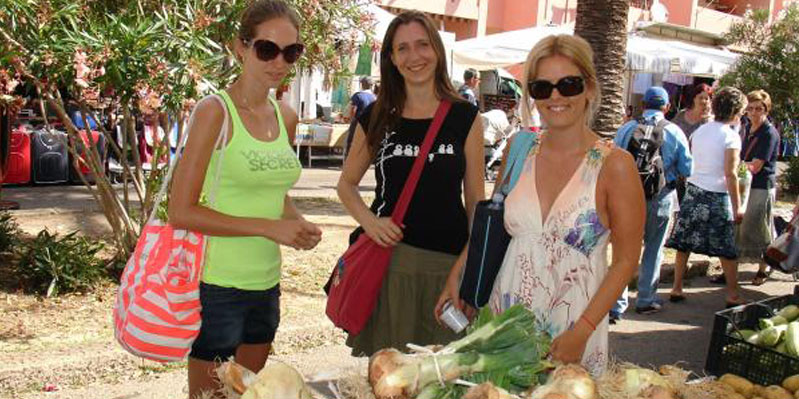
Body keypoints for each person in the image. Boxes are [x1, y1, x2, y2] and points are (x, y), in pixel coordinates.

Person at [446, 34, 645, 375]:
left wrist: (582, 331)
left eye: (568, 84)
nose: (555, 97)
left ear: (590, 88)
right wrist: (458, 275)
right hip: (503, 315)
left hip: (571, 328)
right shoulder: (520, 149)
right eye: (542, 87)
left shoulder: (615, 165)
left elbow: (626, 261)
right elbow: (492, 224)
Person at [167, 2, 322, 397]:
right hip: (218, 286)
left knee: (249, 395)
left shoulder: (285, 116)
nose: (279, 62)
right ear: (241, 47)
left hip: (266, 283)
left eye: (292, 52)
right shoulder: (214, 112)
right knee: (210, 397)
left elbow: (272, 195)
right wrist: (269, 227)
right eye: (267, 49)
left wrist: (296, 221)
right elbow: (181, 210)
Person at [337, 10, 484, 356]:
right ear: (390, 57)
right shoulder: (375, 117)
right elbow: (346, 185)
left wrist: (468, 267)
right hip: (392, 267)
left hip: (448, 269)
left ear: (437, 50)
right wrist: (370, 223)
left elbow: (476, 201)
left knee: (446, 376)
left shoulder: (465, 117)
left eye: (422, 45)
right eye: (402, 48)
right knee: (392, 377)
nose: (414, 56)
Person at [610, 86, 692, 322]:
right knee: (654, 249)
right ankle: (645, 301)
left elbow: (613, 160)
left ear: (643, 105)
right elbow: (688, 168)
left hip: (627, 199)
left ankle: (616, 305)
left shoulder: (626, 129)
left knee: (625, 251)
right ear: (666, 107)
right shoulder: (674, 132)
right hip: (661, 198)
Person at [666, 87, 748, 308]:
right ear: (736, 110)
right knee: (727, 248)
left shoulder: (700, 131)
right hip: (717, 195)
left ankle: (676, 287)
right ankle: (732, 294)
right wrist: (738, 206)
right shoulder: (731, 137)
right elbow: (730, 174)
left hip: (693, 191)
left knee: (684, 243)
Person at [735, 90, 780, 286]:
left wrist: (732, 166)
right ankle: (733, 268)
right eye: (750, 108)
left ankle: (764, 267)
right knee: (739, 228)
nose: (754, 113)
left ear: (766, 109)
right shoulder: (745, 129)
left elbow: (756, 166)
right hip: (743, 183)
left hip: (760, 185)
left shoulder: (769, 133)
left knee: (760, 228)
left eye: (758, 109)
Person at [670, 83, 712, 203]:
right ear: (694, 98)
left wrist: (707, 119)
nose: (703, 101)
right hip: (679, 163)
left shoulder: (709, 121)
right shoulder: (681, 115)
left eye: (706, 98)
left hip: (698, 165)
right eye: (700, 97)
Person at [344, 76, 377, 154]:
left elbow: (353, 109)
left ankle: (349, 160)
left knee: (351, 142)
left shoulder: (358, 95)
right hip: (370, 124)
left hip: (358, 122)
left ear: (361, 84)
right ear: (371, 85)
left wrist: (351, 120)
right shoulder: (374, 97)